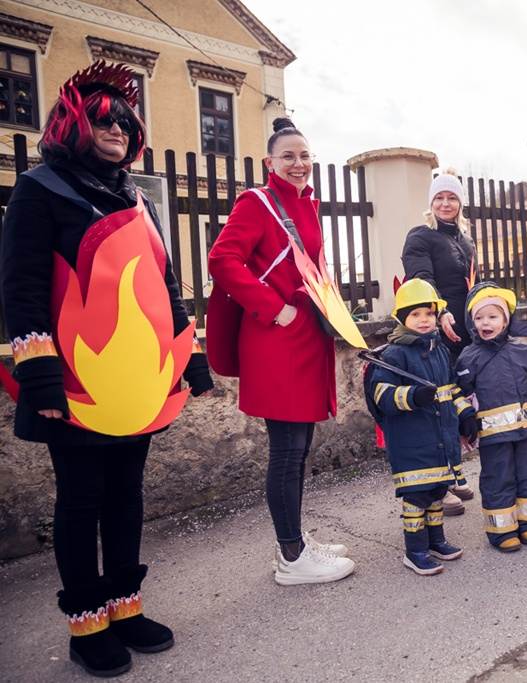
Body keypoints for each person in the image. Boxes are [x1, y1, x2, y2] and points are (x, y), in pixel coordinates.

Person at [0, 61, 213, 677]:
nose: (116, 129)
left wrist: (187, 357)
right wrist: (38, 374)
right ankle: (86, 624)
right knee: (82, 499)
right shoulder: (40, 189)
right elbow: (21, 288)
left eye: (123, 120)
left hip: (136, 379)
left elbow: (161, 285)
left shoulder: (136, 198)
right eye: (102, 120)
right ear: (72, 124)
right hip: (73, 381)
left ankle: (125, 607)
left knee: (125, 496)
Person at [208, 117, 355, 586]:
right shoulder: (256, 203)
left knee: (299, 445)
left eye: (305, 156)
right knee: (287, 450)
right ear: (270, 162)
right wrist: (274, 309)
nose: (298, 164)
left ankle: (293, 540)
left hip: (306, 336)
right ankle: (292, 557)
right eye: (288, 156)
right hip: (277, 338)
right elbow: (222, 260)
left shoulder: (304, 204)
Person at [371, 279, 477, 575]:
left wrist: (466, 413)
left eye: (428, 314)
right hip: (412, 443)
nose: (423, 320)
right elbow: (382, 395)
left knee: (436, 492)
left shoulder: (440, 351)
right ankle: (415, 551)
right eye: (415, 314)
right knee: (416, 498)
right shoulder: (394, 356)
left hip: (440, 440)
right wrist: (412, 396)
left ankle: (436, 541)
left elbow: (451, 389)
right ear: (402, 318)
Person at [455, 282, 527, 552]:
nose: (486, 322)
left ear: (506, 320)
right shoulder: (468, 357)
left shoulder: (521, 350)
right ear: (472, 323)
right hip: (493, 437)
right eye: (479, 317)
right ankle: (501, 530)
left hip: (526, 432)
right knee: (499, 479)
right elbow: (458, 392)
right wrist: (465, 414)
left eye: (493, 316)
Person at [400, 169, 476, 512]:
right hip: (434, 334)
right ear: (431, 202)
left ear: (460, 202)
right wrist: (440, 311)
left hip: (462, 336)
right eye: (439, 198)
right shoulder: (421, 236)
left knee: (452, 407)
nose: (446, 203)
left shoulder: (465, 240)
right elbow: (420, 279)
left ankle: (450, 475)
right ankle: (435, 489)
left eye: (452, 197)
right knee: (434, 409)